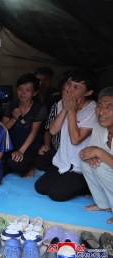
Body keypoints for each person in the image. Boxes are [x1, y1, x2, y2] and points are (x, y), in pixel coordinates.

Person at [35, 67, 99, 202]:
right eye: (69, 84)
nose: (69, 89)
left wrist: (71, 111)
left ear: (88, 92)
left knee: (56, 194)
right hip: (63, 161)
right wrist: (65, 108)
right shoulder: (61, 103)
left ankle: (88, 185)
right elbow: (52, 131)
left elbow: (76, 139)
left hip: (81, 166)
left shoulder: (94, 110)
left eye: (76, 87)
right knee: (41, 187)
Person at [2, 73, 48, 178]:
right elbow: (2, 129)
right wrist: (13, 119)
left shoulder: (40, 108)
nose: (23, 93)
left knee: (15, 164)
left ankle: (30, 165)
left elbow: (34, 132)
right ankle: (20, 167)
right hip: (11, 146)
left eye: (27, 90)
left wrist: (21, 151)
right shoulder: (10, 105)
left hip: (29, 148)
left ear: (35, 92)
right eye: (20, 89)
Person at [80, 87, 113, 224]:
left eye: (109, 106)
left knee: (100, 166)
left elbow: (97, 151)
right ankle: (105, 204)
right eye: (99, 106)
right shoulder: (99, 128)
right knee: (86, 163)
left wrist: (99, 152)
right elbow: (87, 152)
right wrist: (90, 155)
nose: (102, 111)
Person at [34, 72, 69, 172]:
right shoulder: (57, 103)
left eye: (45, 79)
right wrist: (46, 145)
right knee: (39, 161)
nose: (41, 83)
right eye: (65, 90)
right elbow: (49, 129)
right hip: (57, 146)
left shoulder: (89, 109)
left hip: (75, 152)